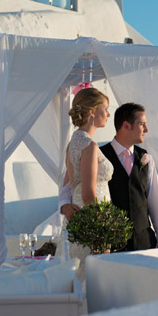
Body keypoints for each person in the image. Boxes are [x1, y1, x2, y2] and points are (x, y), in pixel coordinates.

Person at [100, 103, 158, 250]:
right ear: (126, 125)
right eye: (142, 124)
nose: (146, 129)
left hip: (145, 241)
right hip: (113, 244)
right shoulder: (99, 156)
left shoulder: (146, 157)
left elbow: (155, 199)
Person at [59, 88, 113, 221]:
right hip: (91, 221)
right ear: (92, 112)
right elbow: (88, 195)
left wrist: (64, 206)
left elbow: (67, 185)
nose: (108, 114)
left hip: (79, 219)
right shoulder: (89, 146)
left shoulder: (73, 143)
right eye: (105, 109)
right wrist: (103, 225)